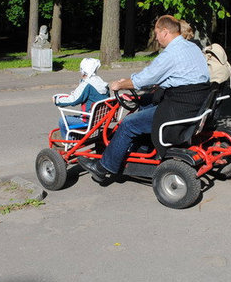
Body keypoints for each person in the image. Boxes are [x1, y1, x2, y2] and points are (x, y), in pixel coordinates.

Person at [78, 15, 210, 182]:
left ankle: (104, 167)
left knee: (128, 123)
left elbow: (144, 79)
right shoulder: (192, 47)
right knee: (145, 102)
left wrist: (120, 84)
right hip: (193, 104)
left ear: (165, 31)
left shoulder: (171, 53)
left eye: (156, 33)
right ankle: (142, 148)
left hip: (177, 109)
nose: (156, 37)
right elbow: (179, 77)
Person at [54, 57, 109, 138]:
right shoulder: (103, 83)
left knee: (62, 121)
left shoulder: (87, 84)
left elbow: (74, 100)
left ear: (83, 71)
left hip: (88, 120)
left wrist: (57, 100)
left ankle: (69, 142)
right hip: (101, 119)